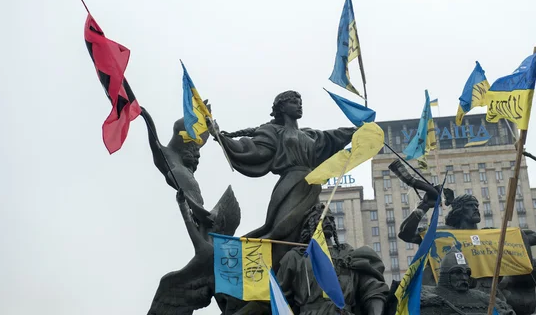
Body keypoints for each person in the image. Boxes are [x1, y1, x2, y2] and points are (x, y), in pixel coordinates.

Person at [208, 90, 356, 268]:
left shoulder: (310, 135)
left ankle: (309, 273)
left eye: (300, 101)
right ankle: (266, 270)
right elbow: (252, 151)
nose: (299, 105)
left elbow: (334, 137)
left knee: (314, 229)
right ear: (282, 107)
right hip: (290, 185)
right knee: (281, 232)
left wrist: (359, 131)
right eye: (294, 102)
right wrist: (220, 137)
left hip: (311, 187)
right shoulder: (273, 132)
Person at [398, 190, 536, 315]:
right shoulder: (443, 234)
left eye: (477, 205)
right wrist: (424, 206)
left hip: (490, 297)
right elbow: (406, 233)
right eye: (471, 205)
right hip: (451, 296)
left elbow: (532, 236)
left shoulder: (491, 235)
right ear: (460, 210)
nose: (477, 209)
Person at [277, 203, 388, 314]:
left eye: (330, 219)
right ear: (309, 225)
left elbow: (372, 287)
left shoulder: (347, 254)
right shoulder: (295, 257)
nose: (328, 222)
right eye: (323, 219)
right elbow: (278, 298)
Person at [140, 106, 214, 234]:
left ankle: (199, 212)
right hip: (181, 177)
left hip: (185, 176)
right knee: (173, 173)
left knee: (174, 173)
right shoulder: (164, 154)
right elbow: (154, 142)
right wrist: (146, 117)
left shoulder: (178, 159)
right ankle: (199, 212)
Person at [419, 248, 516, 315]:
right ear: (446, 275)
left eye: (467, 273)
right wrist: (428, 300)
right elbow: (411, 294)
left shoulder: (481, 297)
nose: (464, 277)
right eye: (458, 272)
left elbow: (506, 310)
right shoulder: (430, 294)